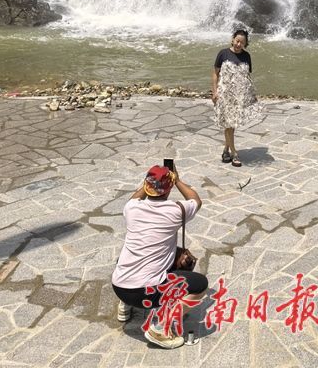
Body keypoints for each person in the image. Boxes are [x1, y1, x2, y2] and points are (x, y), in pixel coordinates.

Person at [111, 165, 211, 348]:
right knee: (199, 284)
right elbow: (195, 199)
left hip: (119, 286)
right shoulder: (176, 210)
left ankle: (124, 305)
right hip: (144, 293)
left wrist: (149, 182)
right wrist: (177, 180)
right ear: (169, 187)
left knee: (129, 256)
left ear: (146, 186)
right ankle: (161, 328)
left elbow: (136, 197)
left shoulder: (131, 208)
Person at [212, 27, 263, 167]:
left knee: (231, 124)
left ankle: (225, 150)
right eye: (237, 41)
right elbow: (215, 73)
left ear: (245, 44)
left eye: (242, 42)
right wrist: (214, 91)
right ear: (233, 39)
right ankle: (234, 153)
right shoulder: (223, 54)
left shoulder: (247, 56)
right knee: (228, 124)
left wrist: (251, 94)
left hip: (238, 95)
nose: (239, 44)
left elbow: (247, 77)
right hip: (224, 94)